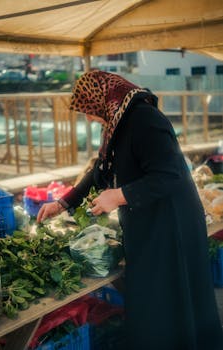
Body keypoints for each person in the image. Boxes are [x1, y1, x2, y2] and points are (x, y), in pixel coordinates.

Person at [37, 70, 223, 350]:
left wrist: (120, 195)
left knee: (172, 299)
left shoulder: (144, 119)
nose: (88, 118)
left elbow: (170, 174)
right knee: (155, 303)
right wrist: (63, 202)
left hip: (171, 224)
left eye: (88, 111)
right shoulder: (116, 123)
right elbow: (99, 170)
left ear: (103, 100)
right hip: (146, 222)